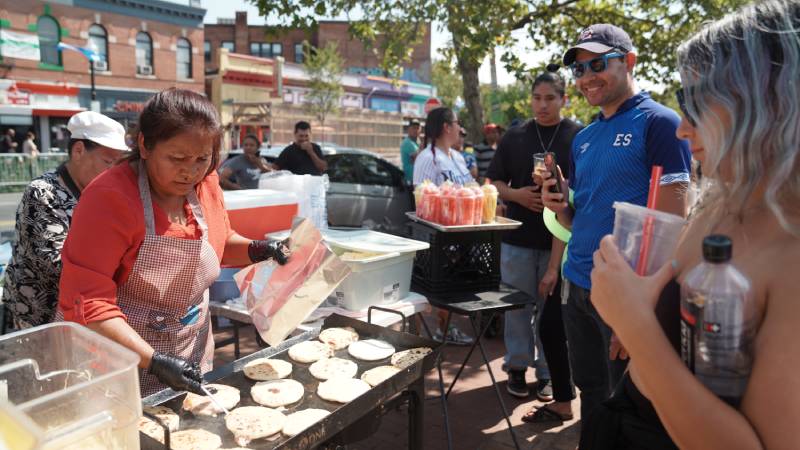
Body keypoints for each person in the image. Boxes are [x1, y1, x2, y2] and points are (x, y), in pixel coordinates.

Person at [585, 2, 800, 448]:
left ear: (770, 103)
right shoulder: (723, 200)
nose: (682, 129)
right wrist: (644, 300)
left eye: (696, 104)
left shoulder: (791, 253)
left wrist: (636, 324)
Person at [57, 89, 290, 397]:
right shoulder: (108, 198)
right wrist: (154, 361)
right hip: (116, 363)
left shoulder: (206, 183)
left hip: (188, 351)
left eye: (202, 159)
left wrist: (257, 249)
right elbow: (87, 303)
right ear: (144, 145)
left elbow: (219, 243)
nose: (190, 171)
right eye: (177, 158)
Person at [542, 23, 692, 423]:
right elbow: (579, 221)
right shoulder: (583, 139)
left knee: (630, 406)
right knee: (591, 394)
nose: (587, 77)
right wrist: (558, 207)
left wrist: (639, 309)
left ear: (628, 62)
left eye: (597, 64)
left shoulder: (660, 123)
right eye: (579, 69)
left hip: (627, 295)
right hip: (578, 286)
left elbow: (672, 226)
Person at [486, 70, 582, 420]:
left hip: (560, 241)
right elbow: (494, 181)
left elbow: (581, 193)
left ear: (563, 99)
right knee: (515, 308)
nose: (542, 105)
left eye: (550, 98)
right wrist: (517, 195)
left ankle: (547, 374)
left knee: (551, 312)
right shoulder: (514, 137)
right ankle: (516, 366)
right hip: (516, 239)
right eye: (537, 98)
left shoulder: (577, 137)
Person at [1, 112, 129, 332]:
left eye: (118, 164)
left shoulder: (103, 193)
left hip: (81, 312)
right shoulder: (43, 193)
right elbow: (56, 264)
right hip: (38, 315)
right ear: (78, 150)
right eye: (108, 162)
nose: (113, 172)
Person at [413, 106, 474, 346]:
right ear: (447, 127)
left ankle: (447, 328)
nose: (460, 128)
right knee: (433, 289)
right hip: (437, 237)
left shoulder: (457, 157)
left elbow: (471, 188)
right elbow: (420, 197)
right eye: (457, 123)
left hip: (462, 235)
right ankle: (425, 337)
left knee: (453, 287)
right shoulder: (427, 158)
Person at [400, 119, 421, 183]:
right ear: (408, 129)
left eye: (417, 128)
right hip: (410, 179)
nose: (416, 130)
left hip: (416, 178)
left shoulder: (417, 141)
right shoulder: (407, 143)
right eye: (413, 128)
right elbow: (420, 159)